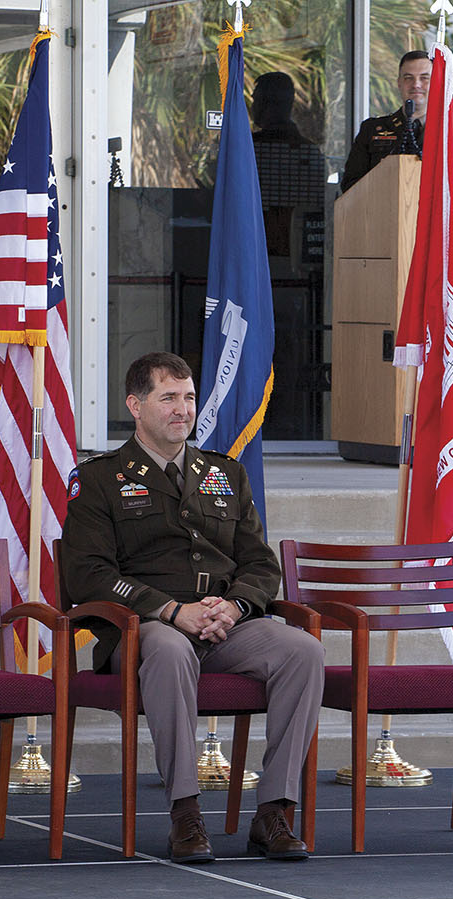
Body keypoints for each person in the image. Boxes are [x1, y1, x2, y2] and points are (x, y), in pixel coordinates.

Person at [61, 352, 323, 864]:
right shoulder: (101, 479)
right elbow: (86, 575)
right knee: (169, 649)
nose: (183, 410)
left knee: (303, 650)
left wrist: (235, 606)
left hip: (221, 626)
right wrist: (169, 611)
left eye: (189, 398)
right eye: (169, 399)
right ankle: (185, 810)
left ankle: (275, 809)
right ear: (136, 406)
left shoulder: (223, 474)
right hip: (142, 631)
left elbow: (261, 565)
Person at [341, 50, 453, 192]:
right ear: (399, 83)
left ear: (437, 83)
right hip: (384, 211)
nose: (416, 84)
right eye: (408, 78)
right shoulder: (371, 130)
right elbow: (351, 186)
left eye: (424, 78)